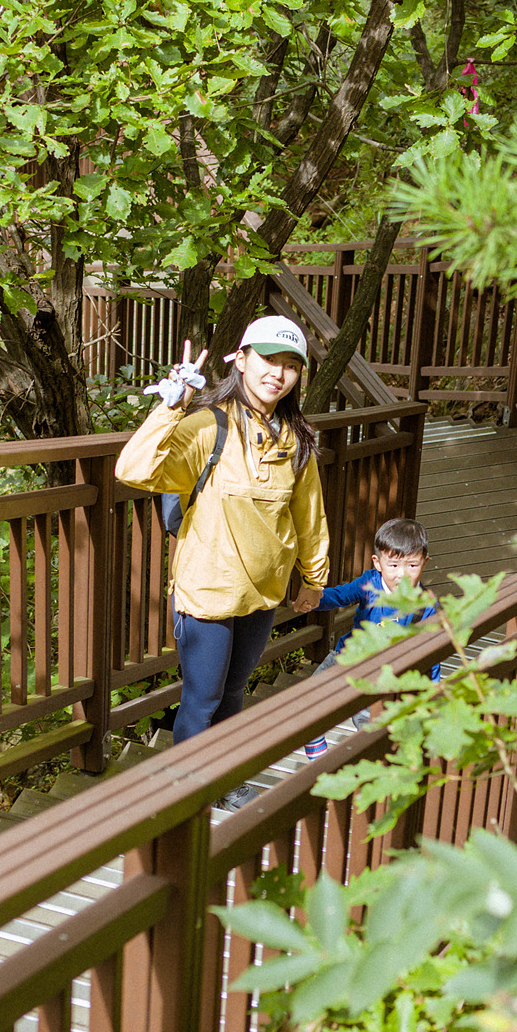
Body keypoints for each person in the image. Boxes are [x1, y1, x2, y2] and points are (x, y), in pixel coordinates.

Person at [115, 314, 330, 807]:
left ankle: (225, 781)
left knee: (234, 693)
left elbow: (309, 514)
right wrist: (172, 406)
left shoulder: (295, 439)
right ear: (242, 360)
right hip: (209, 590)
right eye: (268, 359)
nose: (278, 373)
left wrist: (313, 579)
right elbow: (134, 470)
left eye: (290, 365)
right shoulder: (209, 426)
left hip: (263, 593)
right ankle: (186, 796)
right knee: (203, 698)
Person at [295, 517, 438, 751]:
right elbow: (342, 595)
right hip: (344, 659)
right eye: (393, 565)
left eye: (412, 565)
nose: (402, 574)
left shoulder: (425, 606)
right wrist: (315, 600)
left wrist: (432, 691)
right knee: (306, 708)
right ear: (378, 563)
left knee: (370, 729)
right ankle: (319, 760)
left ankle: (371, 766)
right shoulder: (370, 583)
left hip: (380, 676)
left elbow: (432, 651)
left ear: (425, 562)